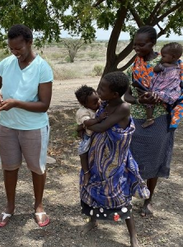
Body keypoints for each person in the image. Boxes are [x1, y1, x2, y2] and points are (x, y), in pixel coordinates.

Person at [0, 24, 53, 227]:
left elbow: (44, 105)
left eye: (19, 49)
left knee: (37, 168)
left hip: (33, 128)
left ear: (29, 43)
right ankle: (9, 207)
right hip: (7, 126)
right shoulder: (6, 63)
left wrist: (15, 102)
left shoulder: (42, 67)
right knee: (9, 167)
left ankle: (39, 206)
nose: (15, 53)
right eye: (12, 49)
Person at [80, 71, 150, 247]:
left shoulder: (123, 108)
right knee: (93, 188)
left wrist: (85, 125)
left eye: (102, 89)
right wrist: (87, 123)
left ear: (115, 94)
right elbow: (95, 121)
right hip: (97, 158)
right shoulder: (105, 103)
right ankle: (92, 221)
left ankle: (133, 235)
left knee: (120, 195)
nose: (98, 91)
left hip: (115, 162)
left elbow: (102, 127)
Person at [124, 26, 182, 217]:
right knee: (132, 160)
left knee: (155, 160)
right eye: (134, 44)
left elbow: (177, 88)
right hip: (136, 120)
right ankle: (128, 196)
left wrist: (161, 97)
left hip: (159, 119)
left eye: (141, 44)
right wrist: (139, 99)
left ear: (152, 43)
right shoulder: (135, 65)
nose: (136, 48)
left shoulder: (169, 61)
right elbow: (126, 95)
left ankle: (148, 200)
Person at [133, 42, 182, 128]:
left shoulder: (164, 65)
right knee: (151, 98)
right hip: (169, 93)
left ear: (173, 57)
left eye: (163, 56)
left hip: (163, 91)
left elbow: (155, 70)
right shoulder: (178, 66)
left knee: (149, 98)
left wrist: (160, 64)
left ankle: (149, 119)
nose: (161, 58)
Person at [74, 85, 106, 185]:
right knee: (82, 152)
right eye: (95, 102)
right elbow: (87, 123)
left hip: (97, 136)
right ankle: (86, 172)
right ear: (84, 104)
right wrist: (98, 119)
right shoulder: (83, 112)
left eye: (98, 100)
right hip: (88, 137)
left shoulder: (98, 106)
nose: (98, 103)